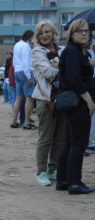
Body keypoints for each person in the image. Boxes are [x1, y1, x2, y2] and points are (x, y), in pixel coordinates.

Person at [56, 19, 95, 194]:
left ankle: (63, 180)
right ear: (72, 34)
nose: (85, 34)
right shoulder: (72, 51)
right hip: (78, 102)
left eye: (86, 31)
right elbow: (74, 80)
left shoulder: (77, 51)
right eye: (80, 31)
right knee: (78, 144)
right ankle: (74, 182)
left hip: (75, 102)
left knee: (70, 142)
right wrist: (88, 100)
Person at [31, 19, 65, 186]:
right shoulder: (38, 51)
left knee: (59, 138)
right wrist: (64, 67)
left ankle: (53, 170)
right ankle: (41, 172)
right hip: (46, 100)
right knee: (45, 138)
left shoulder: (62, 50)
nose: (44, 35)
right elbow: (49, 73)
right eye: (41, 33)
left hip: (63, 99)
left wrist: (60, 65)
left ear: (53, 33)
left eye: (47, 32)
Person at [11, 30, 38, 130]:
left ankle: (14, 121)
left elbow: (14, 61)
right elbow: (26, 62)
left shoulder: (17, 44)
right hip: (25, 72)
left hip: (17, 71)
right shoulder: (26, 46)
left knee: (18, 98)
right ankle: (27, 122)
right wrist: (29, 77)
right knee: (29, 98)